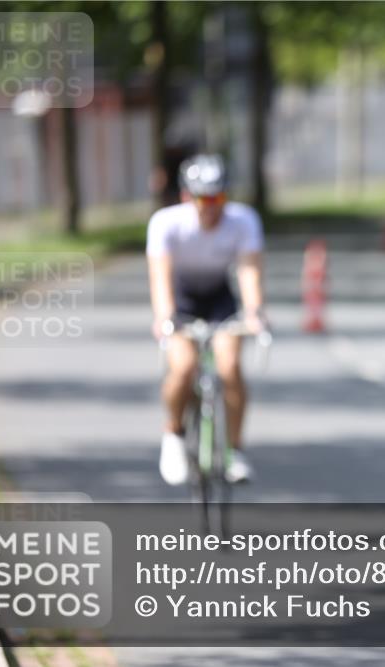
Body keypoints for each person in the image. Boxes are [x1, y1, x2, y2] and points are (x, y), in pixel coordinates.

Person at [147, 154, 266, 485]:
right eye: (204, 198)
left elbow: (249, 272)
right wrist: (164, 317)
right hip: (182, 299)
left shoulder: (243, 221)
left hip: (219, 299)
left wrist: (254, 312)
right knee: (183, 367)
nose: (212, 206)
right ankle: (173, 434)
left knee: (230, 369)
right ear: (187, 196)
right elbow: (160, 277)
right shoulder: (166, 223)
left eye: (219, 197)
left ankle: (235, 451)